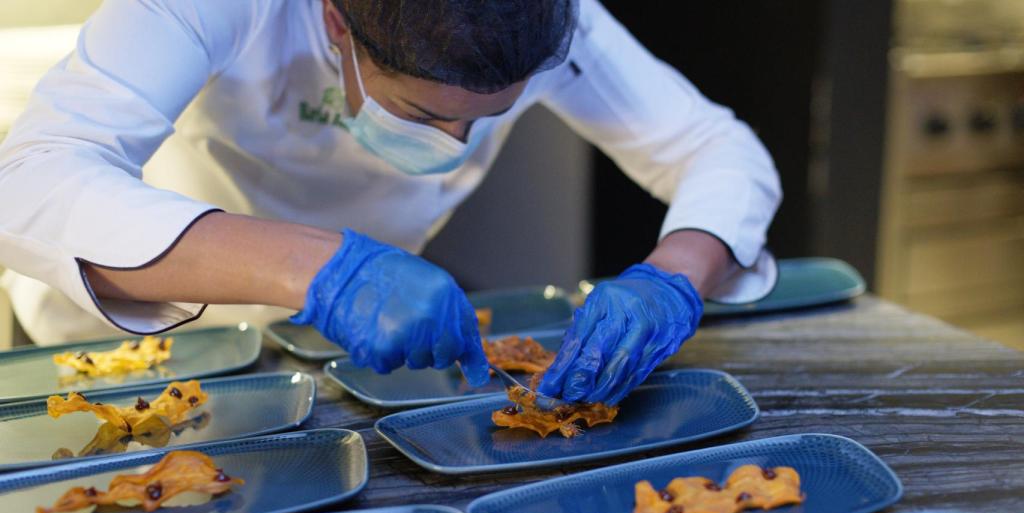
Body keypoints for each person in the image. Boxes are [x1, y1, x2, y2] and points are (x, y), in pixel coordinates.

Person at [0, 0, 781, 404]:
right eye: (423, 116)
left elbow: (714, 147)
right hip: (115, 343)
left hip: (339, 356)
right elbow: (29, 183)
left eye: (485, 119)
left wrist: (674, 275)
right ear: (336, 21)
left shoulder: (556, 18)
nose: (455, 140)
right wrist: (324, 266)